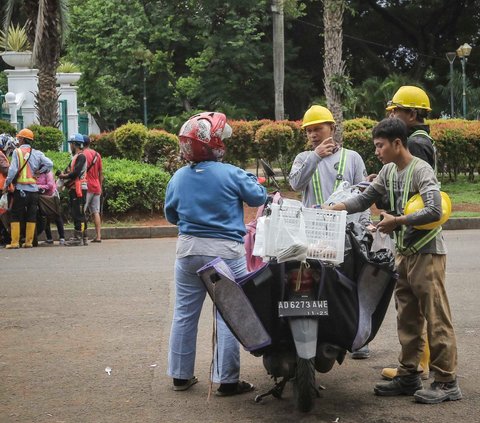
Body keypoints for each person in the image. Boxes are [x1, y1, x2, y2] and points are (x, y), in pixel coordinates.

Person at [326, 117, 461, 404]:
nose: (377, 151)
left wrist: (397, 220)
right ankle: (409, 374)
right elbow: (364, 199)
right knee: (408, 316)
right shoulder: (388, 171)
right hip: (405, 253)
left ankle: (446, 380)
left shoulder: (421, 170)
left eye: (380, 145)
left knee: (436, 317)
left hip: (427, 253)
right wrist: (334, 208)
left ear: (397, 143)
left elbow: (435, 210)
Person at [165, 112, 266, 395]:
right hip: (225, 253)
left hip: (188, 251)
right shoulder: (232, 173)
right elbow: (258, 197)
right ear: (215, 144)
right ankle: (227, 381)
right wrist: (255, 182)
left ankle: (181, 376)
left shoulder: (178, 177)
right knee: (227, 314)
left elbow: (171, 215)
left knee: (184, 313)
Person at [288, 104, 371, 359]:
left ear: (332, 128)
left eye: (318, 129)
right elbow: (295, 183)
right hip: (312, 234)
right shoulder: (304, 158)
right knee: (312, 284)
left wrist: (366, 224)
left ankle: (357, 339)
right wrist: (315, 155)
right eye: (309, 131)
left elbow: (365, 193)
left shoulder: (352, 157)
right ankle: (314, 333)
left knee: (349, 285)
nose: (313, 134)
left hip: (346, 235)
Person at [380, 85, 434, 380]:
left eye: (396, 111)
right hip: (411, 230)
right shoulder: (417, 140)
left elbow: (416, 188)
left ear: (411, 114)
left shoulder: (418, 144)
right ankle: (414, 362)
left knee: (419, 307)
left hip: (418, 235)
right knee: (413, 305)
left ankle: (421, 364)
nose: (391, 114)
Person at [2, 129, 53, 249]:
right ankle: (28, 242)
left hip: (21, 190)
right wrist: (40, 172)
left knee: (15, 215)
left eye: (19, 138)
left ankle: (15, 242)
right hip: (34, 191)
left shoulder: (17, 152)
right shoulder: (37, 153)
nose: (18, 140)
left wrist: (7, 184)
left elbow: (13, 170)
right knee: (31, 215)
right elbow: (50, 164)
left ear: (22, 139)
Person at [58, 133, 88, 247]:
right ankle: (83, 237)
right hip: (75, 188)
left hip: (78, 188)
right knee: (79, 213)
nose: (70, 146)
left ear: (75, 144)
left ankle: (78, 237)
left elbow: (75, 173)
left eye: (71, 144)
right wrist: (63, 174)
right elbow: (69, 170)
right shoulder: (76, 157)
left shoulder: (81, 157)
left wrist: (63, 176)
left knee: (78, 213)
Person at [36, 169, 65, 245]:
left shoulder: (48, 172)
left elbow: (50, 185)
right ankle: (49, 238)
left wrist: (38, 186)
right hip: (42, 197)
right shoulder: (35, 172)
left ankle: (62, 237)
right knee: (44, 216)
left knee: (57, 216)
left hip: (52, 197)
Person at [83, 135, 103, 243]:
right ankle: (98, 236)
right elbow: (101, 172)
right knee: (96, 212)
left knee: (83, 211)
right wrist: (100, 186)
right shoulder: (97, 154)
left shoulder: (82, 155)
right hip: (96, 186)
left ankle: (83, 235)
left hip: (87, 185)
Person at [0, 133, 17, 246]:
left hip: (3, 188)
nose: (10, 150)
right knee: (3, 214)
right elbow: (6, 170)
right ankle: (4, 237)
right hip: (1, 188)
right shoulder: (0, 155)